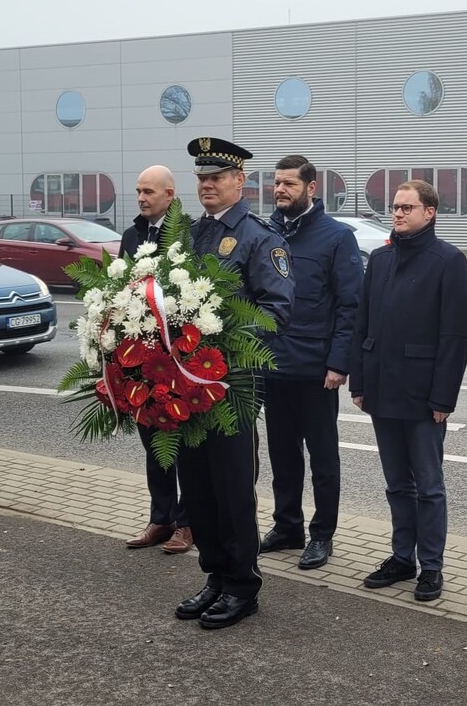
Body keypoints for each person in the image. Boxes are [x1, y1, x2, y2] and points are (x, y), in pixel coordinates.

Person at [173, 136, 295, 630]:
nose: (206, 184)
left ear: (239, 181)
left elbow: (278, 310)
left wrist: (216, 344)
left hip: (231, 387)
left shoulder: (259, 238)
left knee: (232, 488)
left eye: (216, 177)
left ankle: (242, 585)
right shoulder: (189, 235)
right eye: (201, 177)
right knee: (197, 487)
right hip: (184, 386)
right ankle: (215, 574)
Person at [349, 180, 467, 602]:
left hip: (423, 397)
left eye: (406, 207)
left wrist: (443, 399)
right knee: (396, 485)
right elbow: (362, 324)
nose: (397, 213)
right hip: (382, 392)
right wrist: (359, 382)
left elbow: (455, 336)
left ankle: (431, 568)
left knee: (429, 486)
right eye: (395, 207)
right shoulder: (380, 260)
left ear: (430, 212)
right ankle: (402, 558)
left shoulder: (448, 261)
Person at [260, 155, 363, 570]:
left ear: (311, 188)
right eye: (277, 184)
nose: (281, 190)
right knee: (282, 454)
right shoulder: (265, 234)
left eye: (289, 184)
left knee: (322, 457)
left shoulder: (336, 238)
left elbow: (350, 306)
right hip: (271, 365)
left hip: (316, 370)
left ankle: (322, 535)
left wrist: (338, 364)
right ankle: (287, 526)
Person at [119, 165, 193, 555]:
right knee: (153, 442)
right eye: (138, 191)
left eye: (149, 191)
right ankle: (160, 519)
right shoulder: (132, 235)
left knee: (182, 445)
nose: (142, 198)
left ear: (170, 193)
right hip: (142, 357)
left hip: (178, 357)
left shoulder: (187, 234)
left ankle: (187, 523)